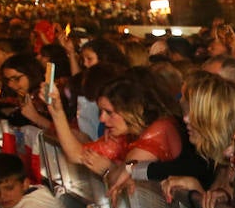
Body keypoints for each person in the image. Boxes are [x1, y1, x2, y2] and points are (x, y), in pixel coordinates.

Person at [47, 75, 182, 185]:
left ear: (130, 110)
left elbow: (122, 174)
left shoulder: (160, 129)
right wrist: (57, 113)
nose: (102, 119)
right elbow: (78, 155)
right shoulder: (123, 133)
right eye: (101, 111)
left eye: (109, 112)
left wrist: (109, 169)